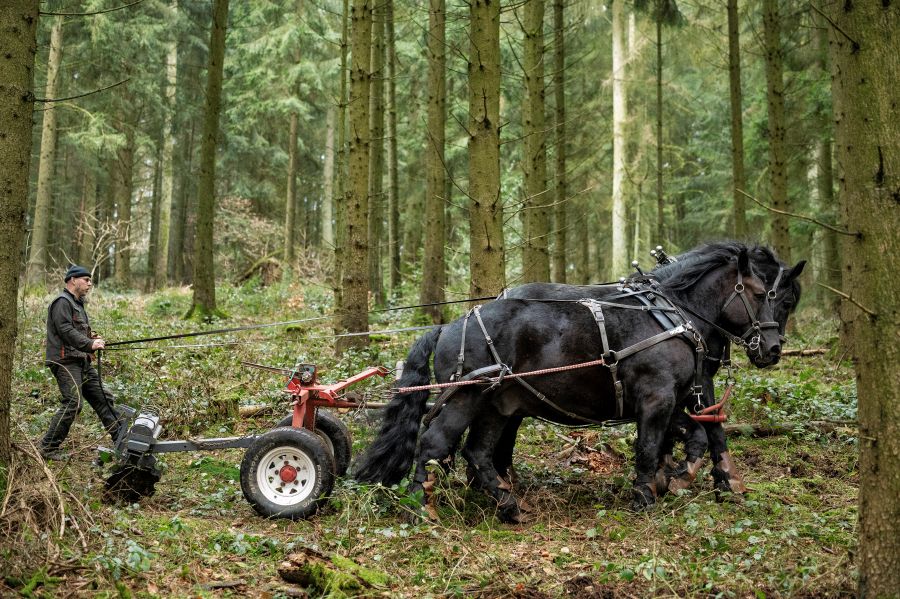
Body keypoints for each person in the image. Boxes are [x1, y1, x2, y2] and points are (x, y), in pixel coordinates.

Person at [39, 265, 121, 460]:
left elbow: (78, 330)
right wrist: (89, 343)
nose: (90, 284)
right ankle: (48, 447)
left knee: (103, 398)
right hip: (64, 361)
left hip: (80, 361)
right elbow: (65, 330)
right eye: (86, 280)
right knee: (73, 402)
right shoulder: (62, 302)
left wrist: (92, 338)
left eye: (90, 280)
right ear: (73, 280)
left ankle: (122, 439)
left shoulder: (78, 304)